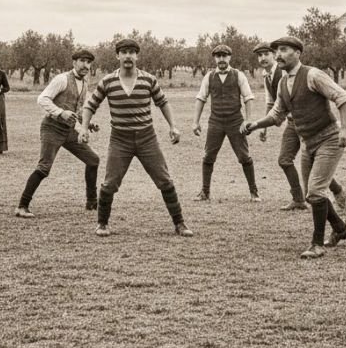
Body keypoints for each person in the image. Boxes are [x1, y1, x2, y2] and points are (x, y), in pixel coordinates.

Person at [245, 36, 346, 259]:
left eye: (283, 50)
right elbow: (276, 114)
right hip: (307, 142)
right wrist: (255, 125)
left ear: (298, 53)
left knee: (315, 191)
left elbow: (342, 98)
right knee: (310, 194)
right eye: (276, 52)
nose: (278, 55)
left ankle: (317, 244)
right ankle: (341, 229)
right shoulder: (283, 83)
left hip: (329, 139)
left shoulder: (313, 75)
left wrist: (345, 129)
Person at [80, 38, 193, 237]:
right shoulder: (108, 81)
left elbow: (163, 102)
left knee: (165, 181)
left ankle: (180, 224)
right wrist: (83, 129)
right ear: (117, 56)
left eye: (132, 51)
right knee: (109, 183)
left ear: (137, 56)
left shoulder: (148, 79)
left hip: (147, 138)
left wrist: (173, 126)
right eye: (124, 52)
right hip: (120, 140)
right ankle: (102, 224)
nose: (128, 55)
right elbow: (90, 106)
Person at [253, 42, 346, 212]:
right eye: (259, 55)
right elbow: (273, 106)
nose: (263, 58)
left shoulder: (298, 72)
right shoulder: (270, 78)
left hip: (314, 127)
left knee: (312, 170)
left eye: (267, 54)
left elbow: (341, 97)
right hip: (291, 123)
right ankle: (298, 199)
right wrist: (260, 126)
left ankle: (335, 190)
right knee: (285, 159)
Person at [15, 48, 100, 217]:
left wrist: (88, 124)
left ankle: (92, 202)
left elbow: (78, 111)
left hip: (69, 131)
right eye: (82, 61)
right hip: (52, 128)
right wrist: (60, 112)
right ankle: (22, 206)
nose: (86, 65)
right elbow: (42, 99)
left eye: (88, 62)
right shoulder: (61, 79)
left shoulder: (84, 83)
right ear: (74, 62)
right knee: (44, 167)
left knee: (93, 160)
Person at [192, 44, 259, 202]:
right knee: (208, 156)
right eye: (218, 56)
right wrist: (195, 122)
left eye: (224, 56)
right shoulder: (209, 76)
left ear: (229, 57)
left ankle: (254, 192)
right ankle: (205, 192)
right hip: (215, 121)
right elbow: (201, 98)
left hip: (235, 121)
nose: (221, 59)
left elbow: (248, 98)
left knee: (244, 157)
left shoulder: (239, 75)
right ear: (215, 58)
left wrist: (248, 120)